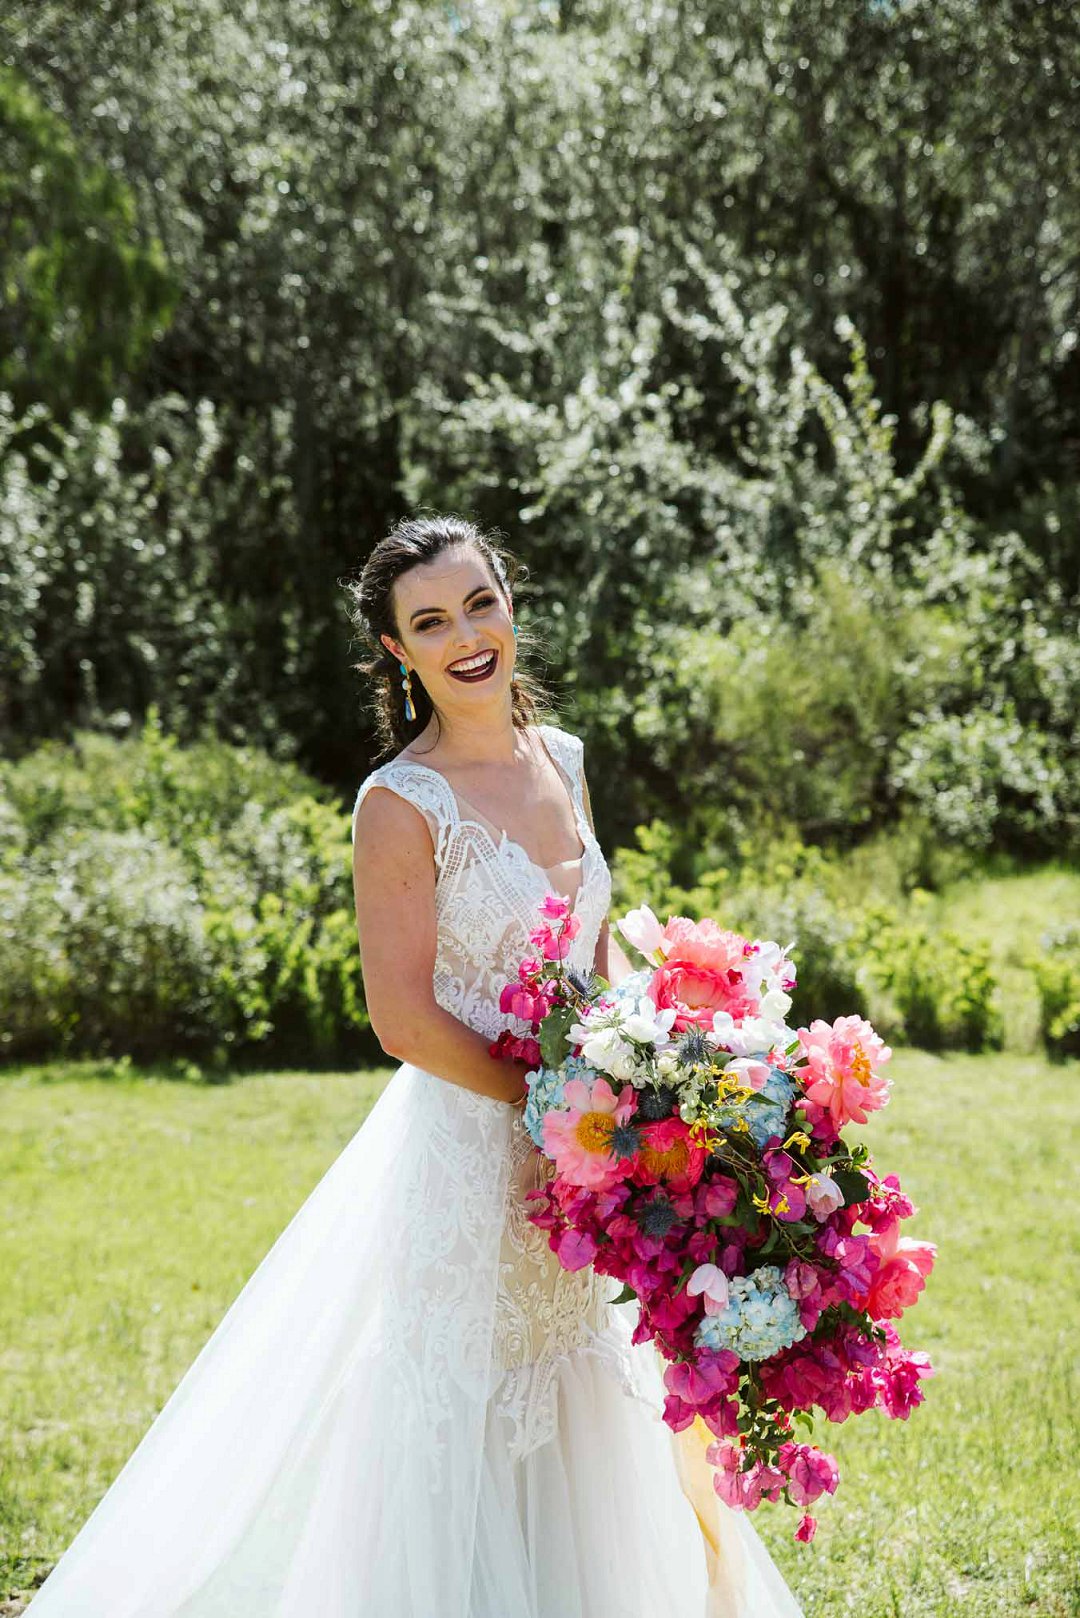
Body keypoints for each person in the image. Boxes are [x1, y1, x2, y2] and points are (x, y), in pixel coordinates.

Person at [25, 513, 807, 1618]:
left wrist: (659, 1065)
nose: (467, 636)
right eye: (430, 622)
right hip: (472, 1158)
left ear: (511, 601)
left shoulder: (564, 760)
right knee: (467, 1410)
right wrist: (556, 1105)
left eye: (480, 603)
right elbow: (400, 1017)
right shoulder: (400, 803)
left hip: (588, 1164)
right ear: (400, 652)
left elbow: (590, 953)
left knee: (589, 1388)